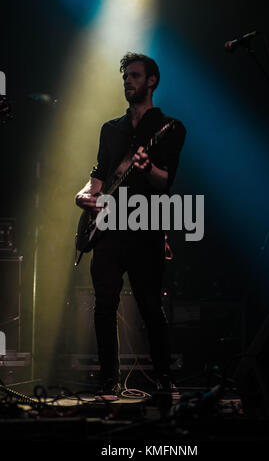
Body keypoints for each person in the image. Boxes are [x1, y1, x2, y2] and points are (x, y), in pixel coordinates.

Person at [75, 53, 186, 396]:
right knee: (104, 306)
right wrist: (83, 198)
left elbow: (164, 181)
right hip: (107, 231)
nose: (128, 82)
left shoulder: (169, 127)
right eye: (125, 77)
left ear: (152, 80)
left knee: (151, 307)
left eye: (135, 76)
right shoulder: (111, 129)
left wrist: (147, 168)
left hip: (145, 229)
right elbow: (98, 178)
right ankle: (109, 381)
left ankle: (164, 379)